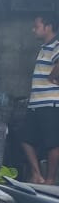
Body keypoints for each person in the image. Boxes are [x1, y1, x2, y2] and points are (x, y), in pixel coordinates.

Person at [23, 14, 59, 183]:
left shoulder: (56, 45)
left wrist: (52, 76)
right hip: (36, 103)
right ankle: (37, 174)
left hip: (50, 103)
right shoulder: (44, 47)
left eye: (36, 26)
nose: (33, 30)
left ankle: (50, 179)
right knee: (25, 138)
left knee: (53, 143)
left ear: (48, 27)